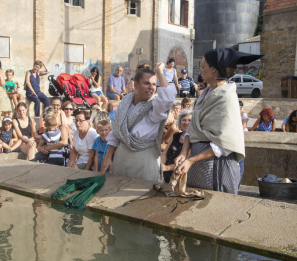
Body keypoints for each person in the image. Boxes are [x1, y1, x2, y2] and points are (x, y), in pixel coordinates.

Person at [175, 48, 262, 194]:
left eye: (203, 66)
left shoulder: (227, 97)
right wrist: (184, 152)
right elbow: (194, 127)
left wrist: (191, 160)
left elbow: (226, 144)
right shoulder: (205, 94)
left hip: (217, 167)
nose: (200, 71)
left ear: (213, 69)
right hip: (197, 165)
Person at [100, 64, 176, 182]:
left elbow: (167, 98)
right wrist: (109, 156)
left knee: (144, 197)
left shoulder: (155, 106)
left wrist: (160, 72)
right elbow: (116, 130)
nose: (151, 87)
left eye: (154, 84)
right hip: (121, 157)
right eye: (146, 83)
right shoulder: (125, 101)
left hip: (144, 159)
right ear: (135, 85)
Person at [162, 109, 192, 183]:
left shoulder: (193, 140)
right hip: (164, 174)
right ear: (180, 122)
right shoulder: (175, 136)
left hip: (179, 177)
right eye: (184, 120)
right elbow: (165, 153)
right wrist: (161, 169)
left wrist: (166, 168)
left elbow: (187, 161)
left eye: (190, 120)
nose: (187, 122)